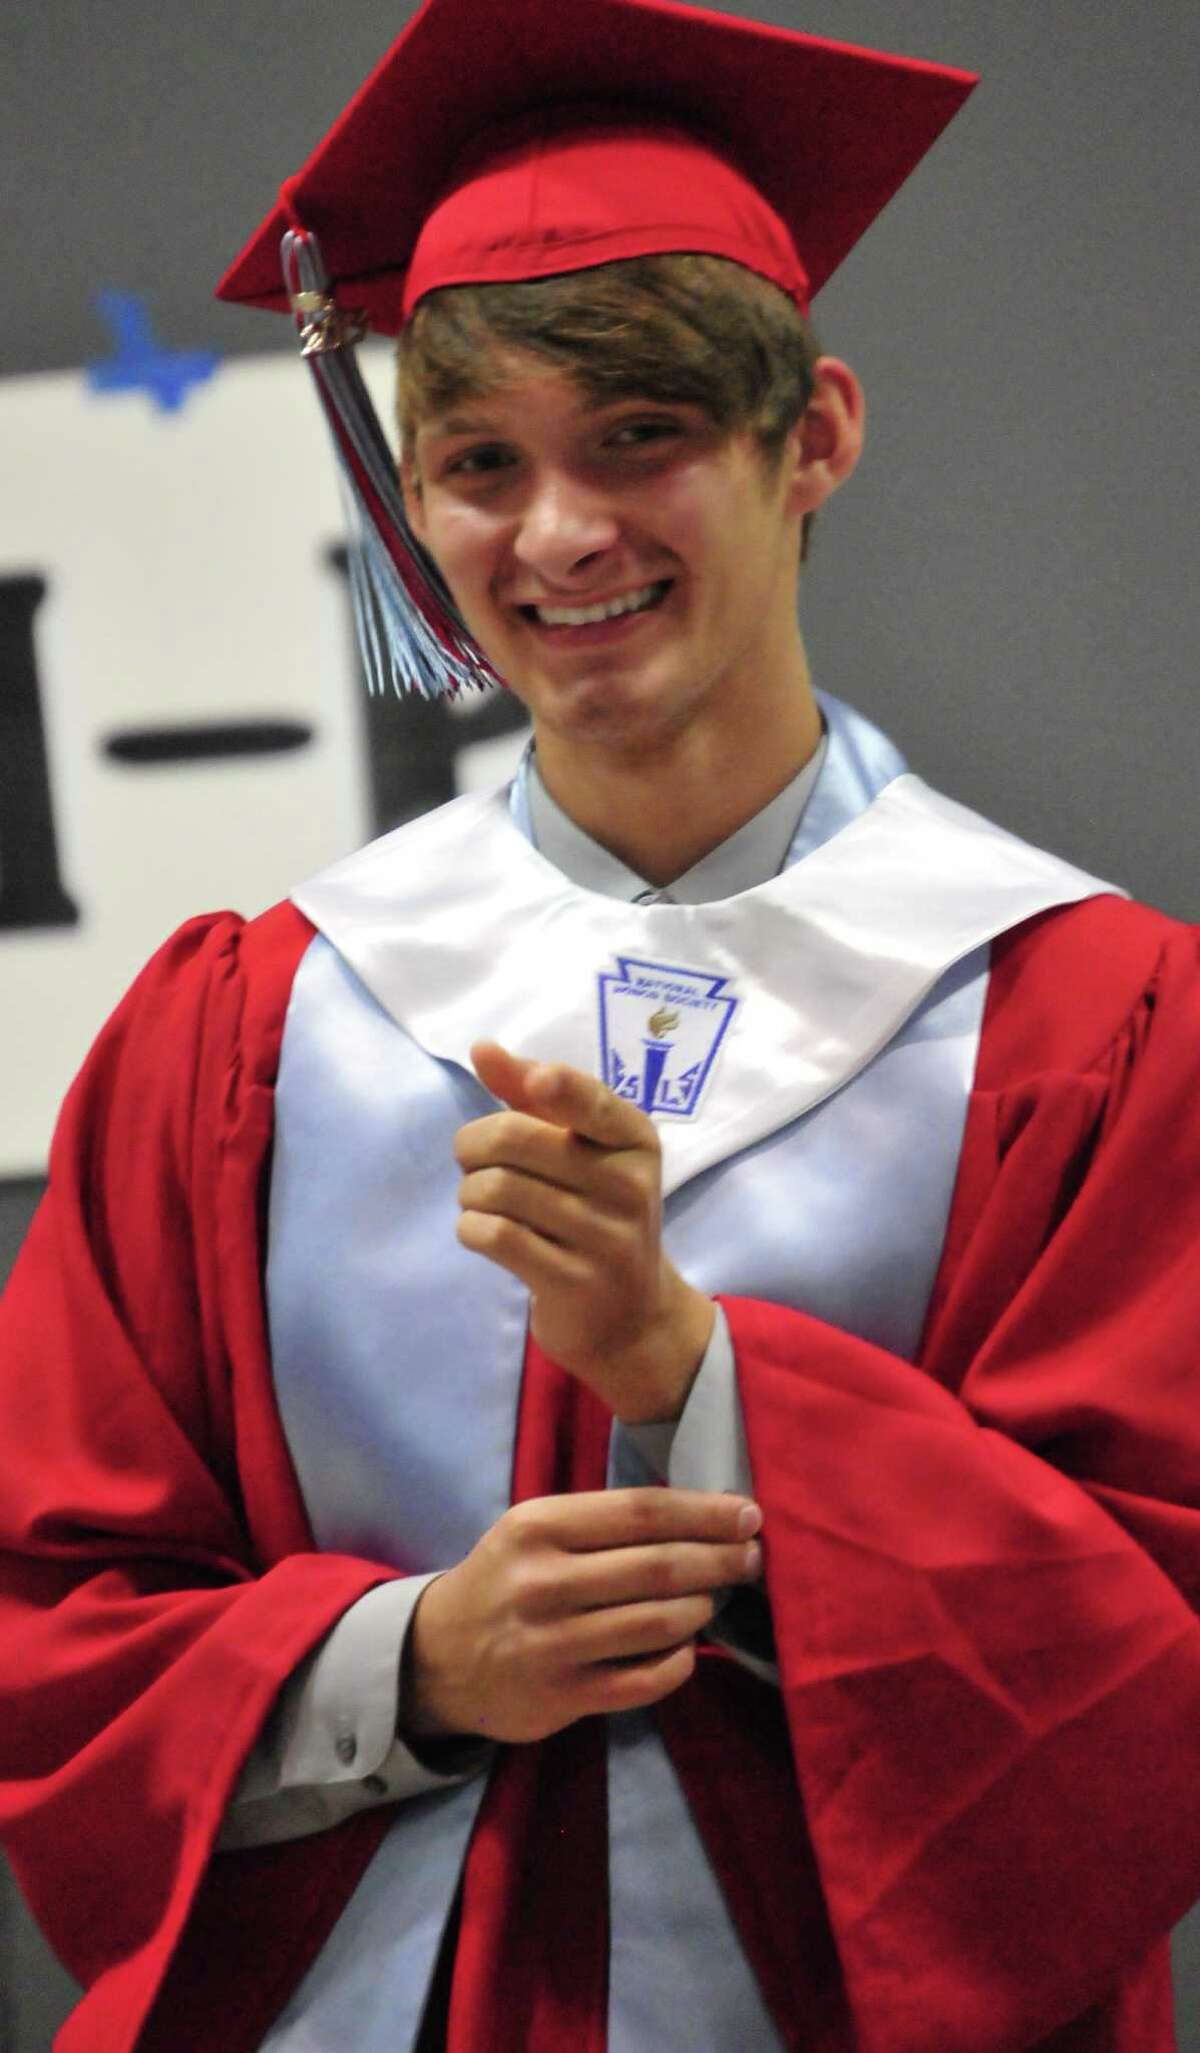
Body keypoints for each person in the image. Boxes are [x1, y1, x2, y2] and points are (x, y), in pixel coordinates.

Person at [2, 0, 1200, 2049]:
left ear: (811, 435)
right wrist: (408, 1662)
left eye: (638, 437)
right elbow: (58, 1616)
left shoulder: (1079, 1013)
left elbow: (1151, 1665)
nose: (555, 537)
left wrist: (702, 1380)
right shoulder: (256, 1022)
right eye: (477, 465)